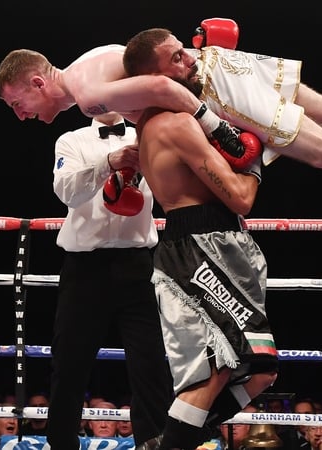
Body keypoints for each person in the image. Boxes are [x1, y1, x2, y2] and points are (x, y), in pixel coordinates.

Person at [0, 22, 322, 240]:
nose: (21, 117)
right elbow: (146, 105)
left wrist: (216, 130)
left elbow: (172, 93)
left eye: (19, 104)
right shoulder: (87, 73)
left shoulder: (89, 95)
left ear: (38, 82)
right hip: (215, 67)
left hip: (211, 88)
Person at [134, 98, 277, 450]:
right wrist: (254, 159)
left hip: (226, 246)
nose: (190, 64)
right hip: (198, 250)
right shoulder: (175, 125)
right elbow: (242, 198)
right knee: (215, 370)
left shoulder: (185, 125)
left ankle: (172, 439)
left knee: (262, 372)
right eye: (179, 58)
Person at [46, 111, 172, 450]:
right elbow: (66, 192)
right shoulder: (72, 140)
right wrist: (108, 162)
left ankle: (153, 440)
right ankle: (61, 443)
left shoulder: (150, 136)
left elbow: (174, 189)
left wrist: (153, 165)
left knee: (150, 361)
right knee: (70, 361)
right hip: (84, 267)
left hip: (137, 264)